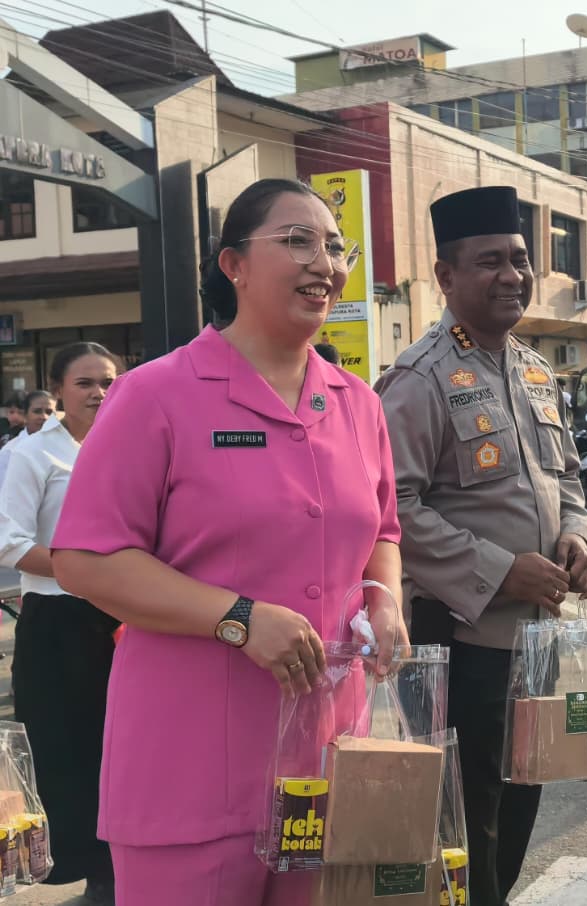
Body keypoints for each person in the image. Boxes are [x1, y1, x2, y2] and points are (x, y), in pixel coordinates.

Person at [49, 178, 405, 906]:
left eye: (335, 247)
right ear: (233, 264)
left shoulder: (359, 404)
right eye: (297, 241)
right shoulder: (155, 394)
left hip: (327, 759)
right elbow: (84, 558)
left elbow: (383, 530)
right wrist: (237, 618)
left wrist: (387, 600)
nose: (325, 263)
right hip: (190, 766)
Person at [375, 185, 587, 906]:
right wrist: (501, 571)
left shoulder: (535, 370)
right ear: (445, 275)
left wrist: (577, 536)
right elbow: (392, 507)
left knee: (523, 795)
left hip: (537, 637)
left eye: (521, 259)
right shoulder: (419, 378)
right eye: (490, 261)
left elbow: (566, 477)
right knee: (464, 817)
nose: (512, 275)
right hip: (461, 642)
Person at [0, 344, 118, 903]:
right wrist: (88, 570)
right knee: (65, 749)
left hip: (125, 613)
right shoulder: (32, 454)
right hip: (57, 619)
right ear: (58, 390)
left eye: (108, 382)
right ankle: (88, 870)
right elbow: (11, 544)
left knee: (120, 746)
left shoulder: (127, 443)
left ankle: (123, 863)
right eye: (85, 383)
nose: (99, 393)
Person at [0, 390, 55, 491]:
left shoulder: (66, 446)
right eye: (37, 411)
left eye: (49, 412)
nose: (44, 417)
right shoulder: (10, 451)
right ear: (25, 415)